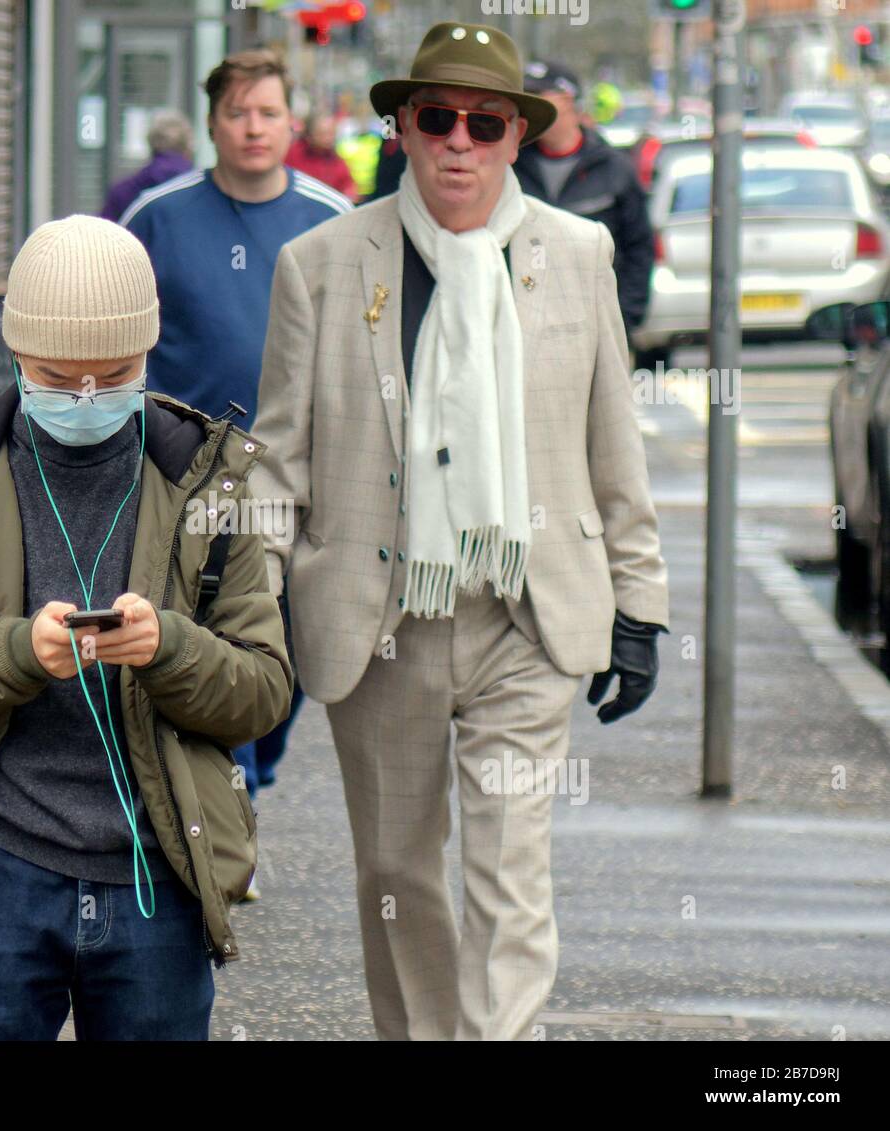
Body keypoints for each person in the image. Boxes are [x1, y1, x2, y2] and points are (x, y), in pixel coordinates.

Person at [250, 21, 669, 1040]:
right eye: (436, 119)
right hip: (380, 615)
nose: (459, 143)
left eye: (485, 124)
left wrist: (639, 605)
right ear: (401, 126)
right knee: (396, 871)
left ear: (516, 138)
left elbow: (613, 440)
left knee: (508, 872)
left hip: (527, 613)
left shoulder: (576, 255)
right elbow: (275, 462)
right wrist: (253, 607)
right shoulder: (322, 264)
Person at [0, 215, 292, 1041]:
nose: (86, 396)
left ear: (149, 354)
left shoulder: (207, 485)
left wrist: (171, 649)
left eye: (113, 373)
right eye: (57, 376)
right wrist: (14, 652)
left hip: (159, 868)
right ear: (15, 352)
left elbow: (264, 689)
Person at [120, 48, 349, 829]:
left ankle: (261, 758)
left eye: (269, 113)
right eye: (237, 112)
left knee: (289, 640)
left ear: (293, 122)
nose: (254, 128)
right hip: (184, 468)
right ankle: (230, 793)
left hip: (296, 474)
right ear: (212, 122)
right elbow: (118, 337)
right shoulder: (156, 216)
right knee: (209, 627)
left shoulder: (331, 220)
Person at [514, 61, 655, 340]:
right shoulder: (511, 166)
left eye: (538, 99)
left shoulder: (613, 168)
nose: (529, 109)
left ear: (568, 102)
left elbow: (639, 248)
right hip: (526, 334)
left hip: (598, 330)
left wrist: (622, 321)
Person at [100, 109, 195, 223]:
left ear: (150, 142)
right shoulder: (202, 190)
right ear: (188, 145)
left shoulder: (123, 191)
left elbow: (102, 234)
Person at [285, 111, 360, 201]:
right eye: (323, 134)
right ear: (309, 135)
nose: (328, 139)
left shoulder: (336, 160)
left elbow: (349, 187)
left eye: (332, 133)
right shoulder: (292, 153)